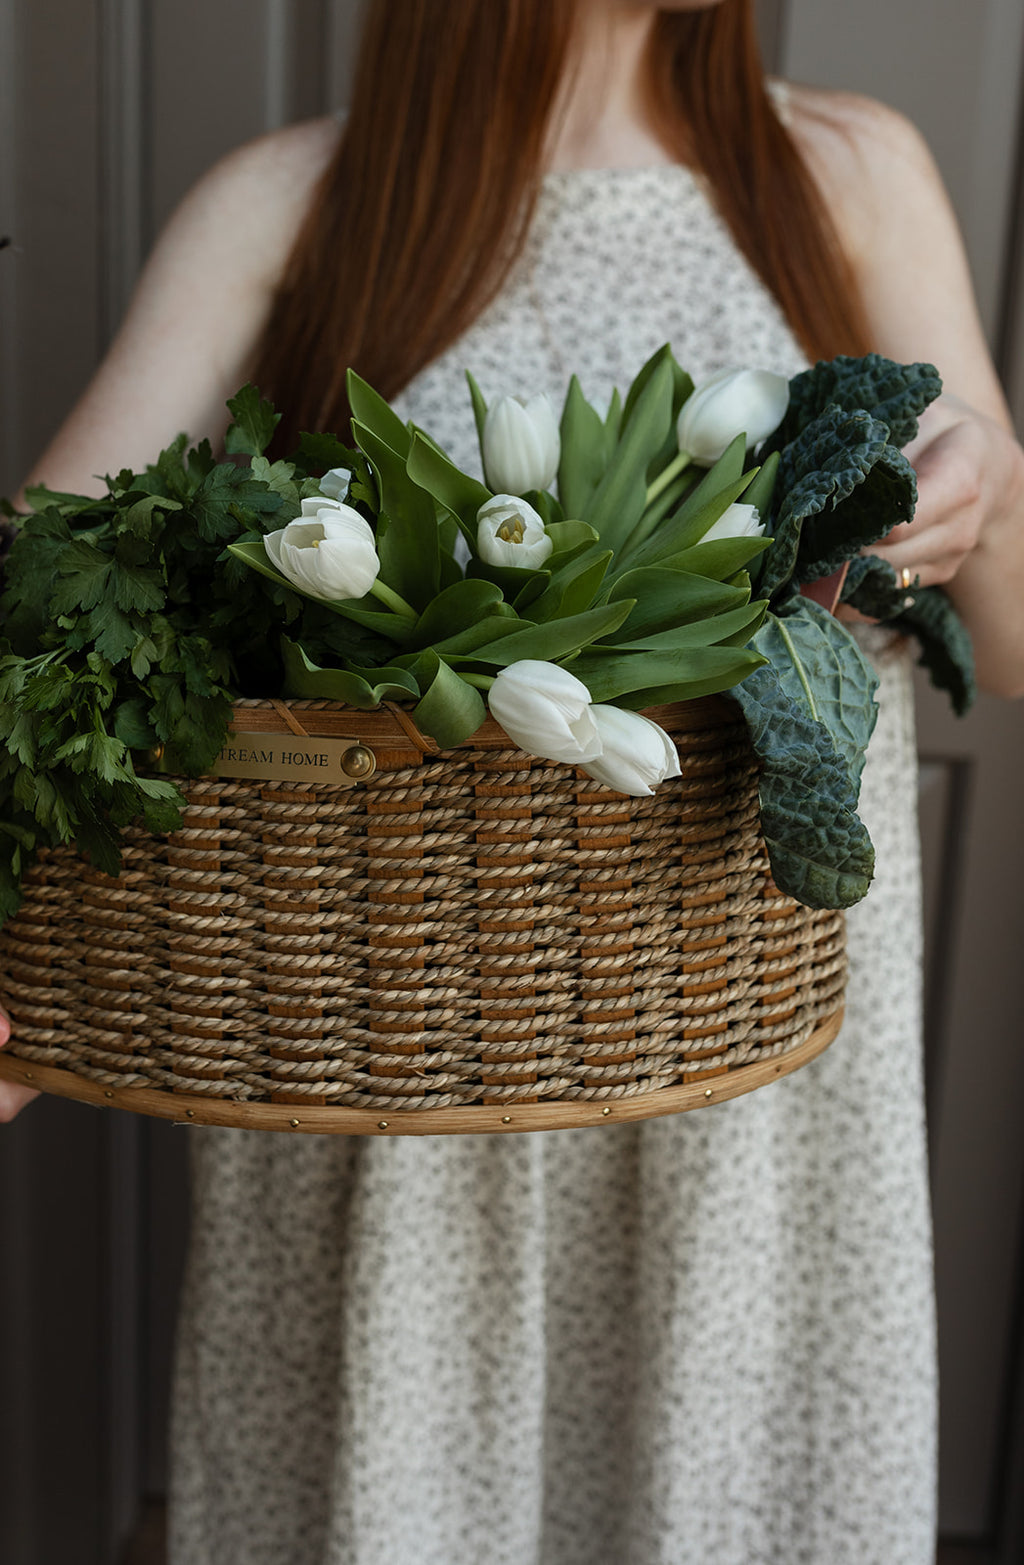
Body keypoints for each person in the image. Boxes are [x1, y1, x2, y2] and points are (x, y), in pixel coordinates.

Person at [3, 1, 1023, 1560]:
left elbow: (1014, 648)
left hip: (751, 1086)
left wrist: (987, 491)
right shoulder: (290, 203)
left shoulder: (848, 170)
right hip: (407, 1066)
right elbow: (43, 611)